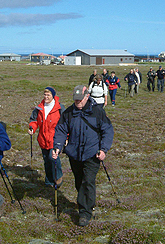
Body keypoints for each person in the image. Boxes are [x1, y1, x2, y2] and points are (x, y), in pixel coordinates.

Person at [52, 85, 114, 227]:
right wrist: (58, 146)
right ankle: (86, 202)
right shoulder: (68, 113)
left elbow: (108, 131)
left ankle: (85, 212)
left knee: (88, 181)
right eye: (75, 100)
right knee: (79, 182)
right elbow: (61, 130)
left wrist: (103, 149)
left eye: (80, 99)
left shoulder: (97, 112)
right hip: (74, 154)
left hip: (92, 154)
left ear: (87, 96)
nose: (78, 102)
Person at [28, 87, 64, 187]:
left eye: (48, 95)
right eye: (45, 95)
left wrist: (66, 137)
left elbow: (65, 124)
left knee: (53, 158)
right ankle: (49, 181)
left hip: (54, 139)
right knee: (46, 161)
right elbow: (34, 120)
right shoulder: (39, 108)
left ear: (53, 96)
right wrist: (32, 128)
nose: (46, 97)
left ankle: (58, 178)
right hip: (43, 139)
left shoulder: (59, 108)